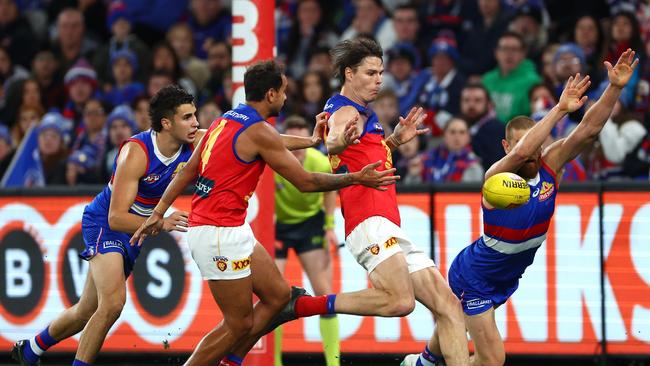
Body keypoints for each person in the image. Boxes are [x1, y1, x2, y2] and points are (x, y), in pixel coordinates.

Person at [129, 60, 398, 366]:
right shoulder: (258, 130)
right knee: (238, 324)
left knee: (280, 297)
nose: (286, 98)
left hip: (230, 229)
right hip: (218, 235)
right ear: (271, 94)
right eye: (283, 92)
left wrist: (311, 141)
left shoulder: (225, 121)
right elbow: (305, 182)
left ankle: (231, 362)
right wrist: (355, 177)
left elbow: (188, 171)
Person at [226, 37, 470, 366]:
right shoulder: (343, 109)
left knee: (449, 306)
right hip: (369, 222)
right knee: (401, 302)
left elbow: (364, 155)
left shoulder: (365, 115)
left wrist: (395, 140)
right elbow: (334, 140)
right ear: (349, 74)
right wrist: (338, 141)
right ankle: (302, 306)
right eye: (370, 73)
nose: (379, 79)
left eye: (381, 73)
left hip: (388, 224)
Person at [403, 49, 638, 366]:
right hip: (476, 277)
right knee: (492, 359)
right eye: (519, 146)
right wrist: (557, 110)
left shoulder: (550, 165)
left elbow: (588, 130)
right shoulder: (495, 176)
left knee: (457, 328)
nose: (529, 152)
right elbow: (522, 152)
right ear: (505, 147)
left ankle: (424, 361)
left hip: (507, 276)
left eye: (535, 145)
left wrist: (615, 88)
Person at [11, 84, 204, 366]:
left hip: (135, 230)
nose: (196, 122)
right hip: (106, 223)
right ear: (166, 123)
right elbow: (117, 218)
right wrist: (161, 223)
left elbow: (251, 139)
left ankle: (30, 350)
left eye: (195, 115)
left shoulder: (195, 141)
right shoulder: (136, 153)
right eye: (187, 117)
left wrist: (292, 144)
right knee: (113, 304)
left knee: (86, 310)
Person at [273, 116, 340, 366]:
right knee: (274, 297)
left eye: (303, 146)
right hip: (277, 227)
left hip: (310, 224)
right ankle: (275, 361)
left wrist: (330, 228)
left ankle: (333, 363)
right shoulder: (274, 162)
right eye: (294, 146)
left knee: (324, 294)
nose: (298, 153)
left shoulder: (320, 162)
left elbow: (331, 191)